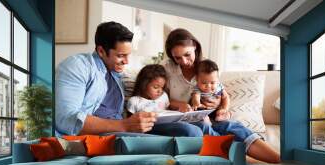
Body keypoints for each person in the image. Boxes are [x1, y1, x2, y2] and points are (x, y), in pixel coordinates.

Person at [56, 21, 215, 138]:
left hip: (124, 127)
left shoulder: (115, 73)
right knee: (190, 133)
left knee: (194, 128)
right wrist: (125, 125)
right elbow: (67, 119)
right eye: (121, 56)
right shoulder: (77, 66)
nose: (126, 61)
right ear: (101, 51)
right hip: (103, 134)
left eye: (128, 55)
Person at [163, 28, 280, 163]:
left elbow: (219, 94)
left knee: (232, 126)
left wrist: (220, 106)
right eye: (178, 57)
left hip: (208, 115)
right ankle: (237, 157)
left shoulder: (207, 68)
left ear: (194, 46)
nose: (184, 61)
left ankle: (278, 160)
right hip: (183, 119)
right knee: (204, 126)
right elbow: (161, 100)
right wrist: (181, 104)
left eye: (187, 54)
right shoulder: (167, 68)